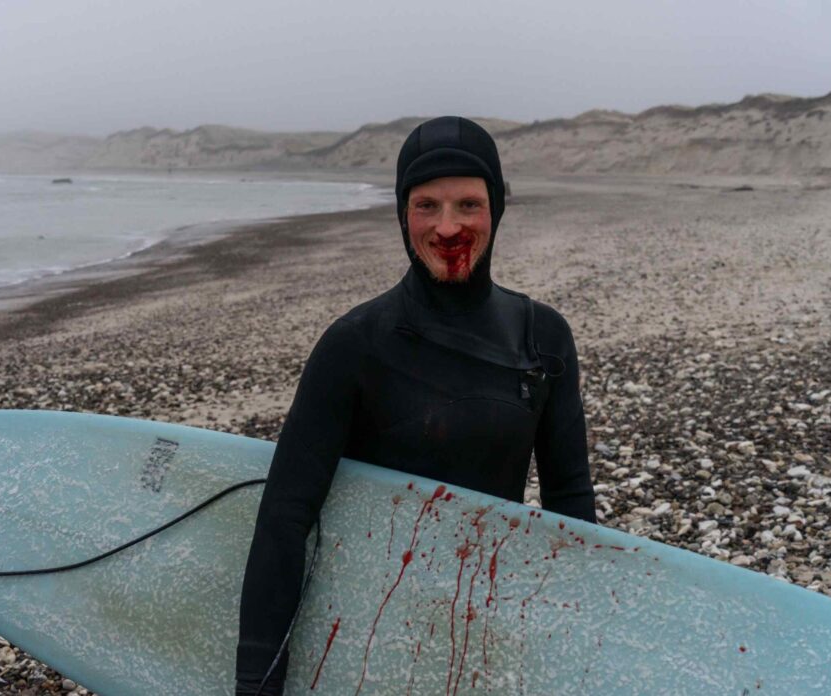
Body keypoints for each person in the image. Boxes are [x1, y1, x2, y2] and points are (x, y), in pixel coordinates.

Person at [235, 116, 596, 695]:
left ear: (496, 209)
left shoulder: (542, 337)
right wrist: (257, 685)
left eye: (468, 205)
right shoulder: (355, 343)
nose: (447, 228)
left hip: (481, 633)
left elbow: (570, 508)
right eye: (426, 205)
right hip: (363, 637)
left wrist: (574, 658)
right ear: (402, 215)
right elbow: (284, 520)